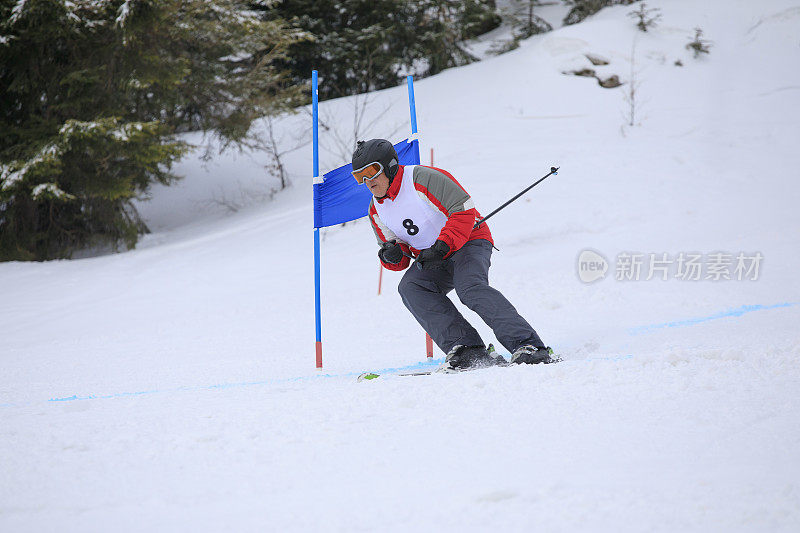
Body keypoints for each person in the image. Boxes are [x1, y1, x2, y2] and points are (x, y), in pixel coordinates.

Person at [351, 139, 554, 370]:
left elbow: (463, 209)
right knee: (411, 287)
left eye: (371, 171)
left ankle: (528, 346)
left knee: (469, 288)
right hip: (432, 258)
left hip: (469, 241)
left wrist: (443, 245)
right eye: (359, 176)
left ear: (389, 165)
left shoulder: (422, 178)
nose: (367, 181)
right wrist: (393, 256)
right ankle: (467, 349)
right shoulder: (376, 210)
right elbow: (397, 253)